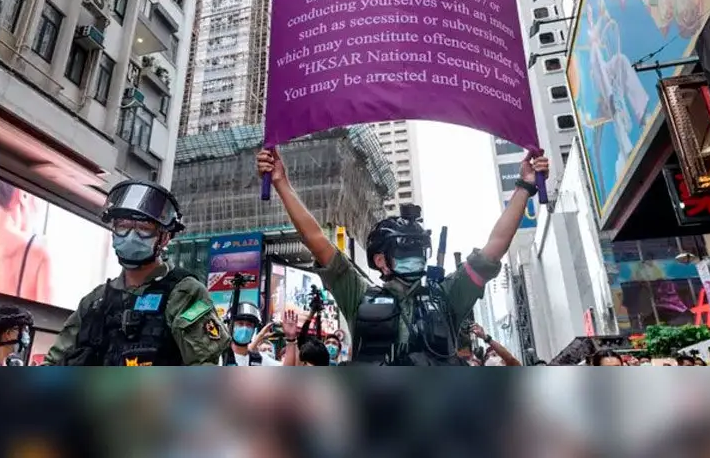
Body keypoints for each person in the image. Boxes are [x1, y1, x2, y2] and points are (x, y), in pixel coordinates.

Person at [256, 147, 549, 366]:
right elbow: (317, 241)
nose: (415, 257)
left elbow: (494, 248)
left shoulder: (447, 296)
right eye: (405, 250)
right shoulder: (358, 295)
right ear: (381, 261)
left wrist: (524, 187)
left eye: (418, 249)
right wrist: (281, 183)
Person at [42, 179, 229, 366]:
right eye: (123, 226)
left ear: (164, 238)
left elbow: (205, 367)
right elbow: (53, 364)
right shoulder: (95, 302)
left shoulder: (184, 293)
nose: (131, 236)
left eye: (144, 228)